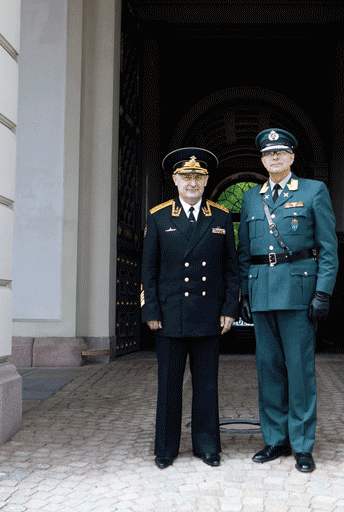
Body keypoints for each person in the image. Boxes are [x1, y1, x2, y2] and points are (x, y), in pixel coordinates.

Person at [237, 128, 339, 473]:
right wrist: (243, 293)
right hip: (262, 292)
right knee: (268, 372)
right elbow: (243, 253)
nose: (274, 158)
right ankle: (275, 439)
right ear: (262, 160)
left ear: (292, 157)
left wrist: (322, 292)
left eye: (281, 152)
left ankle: (302, 445)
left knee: (299, 372)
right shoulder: (252, 198)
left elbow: (327, 248)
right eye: (268, 154)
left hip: (298, 293)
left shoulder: (313, 191)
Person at [141, 147, 240, 469]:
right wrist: (151, 311)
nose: (192, 182)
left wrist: (229, 308)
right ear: (175, 180)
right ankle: (165, 449)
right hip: (169, 314)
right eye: (186, 176)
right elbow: (149, 269)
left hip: (208, 314)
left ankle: (208, 446)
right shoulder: (158, 217)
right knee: (168, 386)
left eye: (199, 176)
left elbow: (231, 269)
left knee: (207, 385)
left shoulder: (221, 216)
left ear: (207, 180)